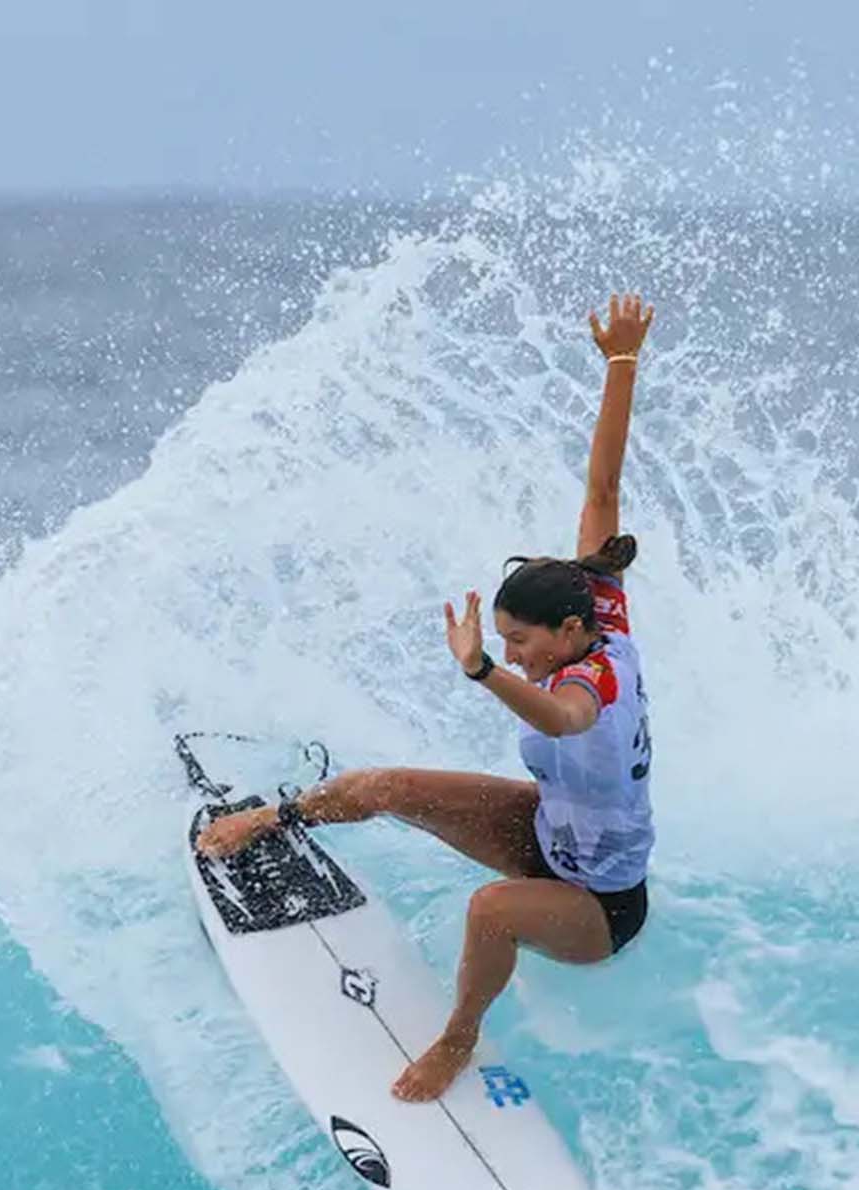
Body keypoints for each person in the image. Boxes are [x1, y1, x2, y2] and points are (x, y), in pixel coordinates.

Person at [198, 294, 658, 1102]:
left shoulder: (594, 686)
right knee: (388, 787)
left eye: (523, 642)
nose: (515, 653)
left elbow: (564, 718)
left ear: (568, 630)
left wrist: (485, 672)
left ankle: (457, 1040)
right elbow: (604, 489)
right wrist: (621, 362)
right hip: (549, 834)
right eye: (505, 642)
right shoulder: (599, 605)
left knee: (491, 910)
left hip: (599, 906)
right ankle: (270, 821)